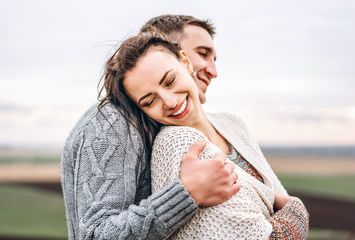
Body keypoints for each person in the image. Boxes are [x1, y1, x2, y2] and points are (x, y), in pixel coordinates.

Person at [101, 31, 309, 239]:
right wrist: (297, 213)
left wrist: (289, 213)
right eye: (149, 101)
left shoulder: (233, 124)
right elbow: (274, 223)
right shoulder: (175, 144)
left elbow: (279, 198)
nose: (170, 102)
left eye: (170, 81)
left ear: (185, 62)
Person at [61, 15, 240, 240]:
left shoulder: (165, 121)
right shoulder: (113, 120)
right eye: (202, 54)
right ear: (175, 54)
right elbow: (95, 235)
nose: (213, 70)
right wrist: (187, 193)